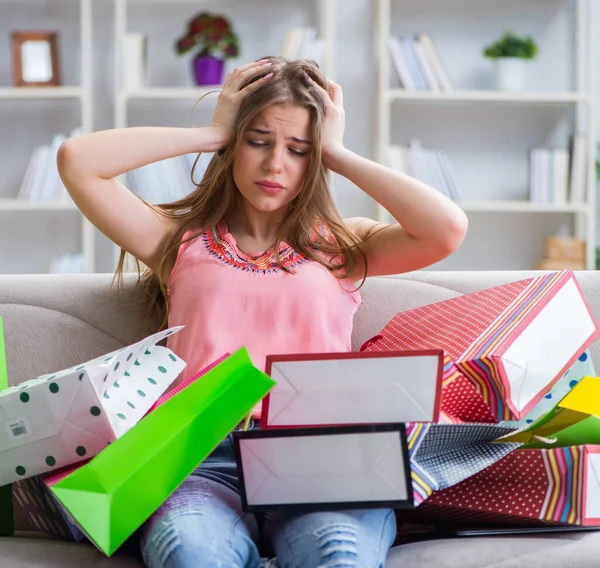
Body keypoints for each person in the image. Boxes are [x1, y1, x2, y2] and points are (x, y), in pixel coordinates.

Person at [57, 56, 468, 568]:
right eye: (258, 141)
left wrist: (335, 151)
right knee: (189, 553)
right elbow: (78, 160)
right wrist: (212, 133)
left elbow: (447, 229)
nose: (276, 165)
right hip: (197, 460)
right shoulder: (177, 241)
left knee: (339, 556)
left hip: (324, 458)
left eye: (298, 150)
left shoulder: (345, 245)